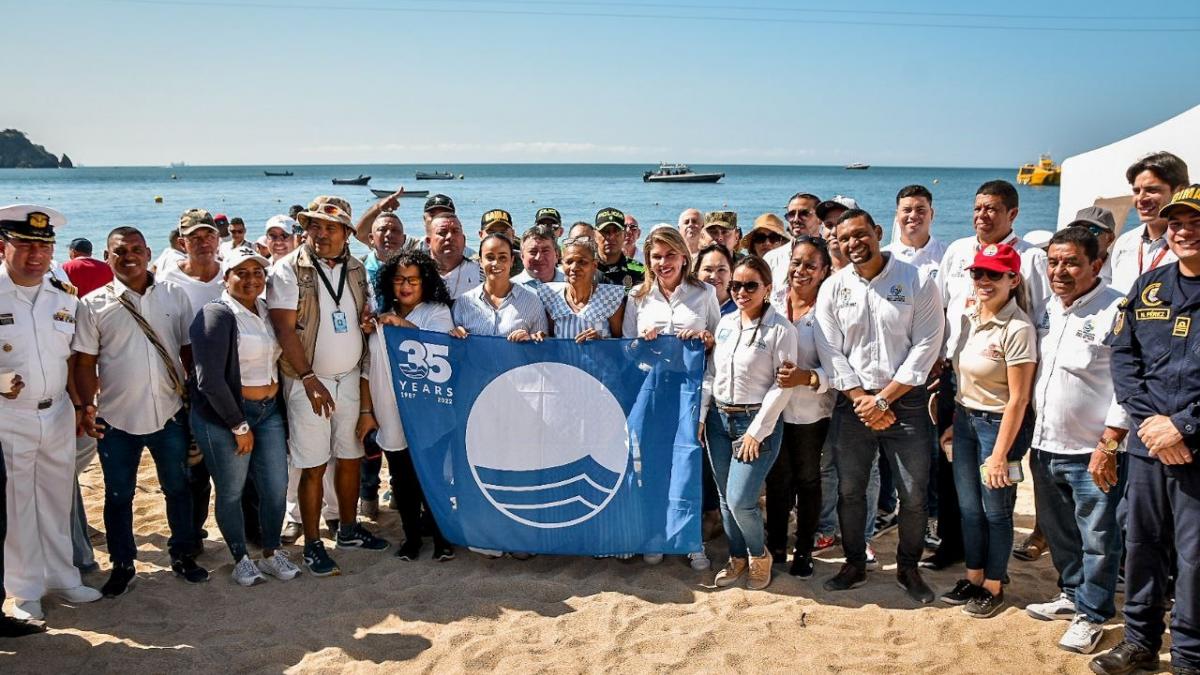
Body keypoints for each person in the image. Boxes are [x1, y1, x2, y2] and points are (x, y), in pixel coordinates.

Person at [1092, 185, 1200, 675]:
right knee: (1142, 547)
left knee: (1195, 559)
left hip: (1194, 450)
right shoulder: (1149, 286)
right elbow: (1124, 358)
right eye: (1177, 223)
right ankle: (1139, 642)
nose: (1184, 231)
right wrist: (1149, 423)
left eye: (1195, 223)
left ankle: (1190, 656)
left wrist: (1184, 427)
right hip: (1148, 446)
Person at [814, 208, 944, 603]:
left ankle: (908, 569)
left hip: (905, 403)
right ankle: (854, 563)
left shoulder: (916, 280)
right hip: (853, 405)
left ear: (877, 232)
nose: (854, 244)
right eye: (844, 238)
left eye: (860, 235)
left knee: (913, 493)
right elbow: (829, 348)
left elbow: (927, 345)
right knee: (851, 490)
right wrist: (860, 398)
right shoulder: (834, 287)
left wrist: (885, 398)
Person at [73, 226, 206, 597]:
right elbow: (84, 363)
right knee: (118, 495)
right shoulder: (93, 304)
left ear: (148, 253)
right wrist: (86, 406)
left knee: (177, 489)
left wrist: (193, 399)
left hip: (169, 414)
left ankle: (182, 555)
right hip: (116, 419)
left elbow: (187, 351)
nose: (128, 256)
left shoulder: (174, 294)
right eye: (119, 251)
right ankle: (122, 563)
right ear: (106, 256)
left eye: (135, 249)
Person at [268, 195, 390, 577]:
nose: (320, 233)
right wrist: (307, 378)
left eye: (330, 227)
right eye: (314, 225)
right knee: (313, 463)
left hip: (350, 376)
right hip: (308, 381)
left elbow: (358, 316)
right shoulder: (289, 269)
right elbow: (284, 329)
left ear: (347, 233)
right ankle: (312, 544)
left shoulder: (355, 269)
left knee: (351, 454)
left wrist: (367, 322)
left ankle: (349, 529)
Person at [1020, 227, 1128, 654]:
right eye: (1053, 262)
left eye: (1071, 263)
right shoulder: (1047, 309)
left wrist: (1110, 444)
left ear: (1095, 265)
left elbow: (1126, 383)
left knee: (1099, 536)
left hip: (1092, 449)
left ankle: (1095, 614)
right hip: (1046, 445)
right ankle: (1071, 594)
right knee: (1062, 532)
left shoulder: (1116, 308)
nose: (1060, 271)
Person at [0, 204, 102, 621]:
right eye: (24, 244)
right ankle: (25, 590)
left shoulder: (63, 294)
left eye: (43, 246)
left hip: (58, 410)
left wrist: (81, 406)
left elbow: (76, 357)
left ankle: (63, 576)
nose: (35, 255)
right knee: (17, 502)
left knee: (58, 496)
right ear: (2, 246)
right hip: (10, 416)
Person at [190, 247, 300, 587]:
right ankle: (240, 557)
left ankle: (270, 551)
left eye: (257, 272)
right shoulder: (217, 314)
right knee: (232, 490)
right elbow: (208, 379)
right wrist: (238, 424)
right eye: (242, 272)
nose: (251, 279)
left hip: (268, 412)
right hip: (226, 416)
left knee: (276, 486)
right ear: (227, 277)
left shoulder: (267, 311)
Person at [940, 243, 1037, 618]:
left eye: (993, 274)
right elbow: (964, 381)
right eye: (978, 273)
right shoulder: (969, 318)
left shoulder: (1018, 328)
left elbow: (1018, 400)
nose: (983, 280)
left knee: (996, 511)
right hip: (965, 421)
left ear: (1012, 279)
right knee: (969, 508)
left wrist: (1000, 454)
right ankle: (974, 576)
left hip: (999, 426)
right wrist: (953, 423)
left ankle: (994, 585)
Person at [625, 227, 720, 570]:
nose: (663, 262)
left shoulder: (704, 292)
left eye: (669, 255)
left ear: (683, 256)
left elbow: (718, 344)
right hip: (653, 389)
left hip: (690, 389)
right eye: (656, 256)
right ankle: (655, 535)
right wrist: (642, 342)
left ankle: (690, 540)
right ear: (647, 260)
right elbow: (627, 352)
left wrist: (706, 339)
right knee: (652, 463)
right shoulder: (637, 296)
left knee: (688, 464)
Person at [702, 255, 797, 590]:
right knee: (726, 499)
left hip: (755, 422)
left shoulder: (780, 329)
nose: (741, 291)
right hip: (718, 419)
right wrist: (702, 416)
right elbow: (712, 374)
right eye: (736, 285)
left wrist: (757, 432)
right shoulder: (726, 323)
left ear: (767, 288)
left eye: (750, 285)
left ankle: (759, 555)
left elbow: (781, 386)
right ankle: (737, 558)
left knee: (742, 500)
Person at [364, 250, 458, 562]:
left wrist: (399, 324)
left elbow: (438, 346)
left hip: (428, 410)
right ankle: (412, 538)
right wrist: (367, 411)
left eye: (413, 280)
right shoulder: (379, 315)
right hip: (389, 409)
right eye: (399, 279)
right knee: (402, 479)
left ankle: (443, 538)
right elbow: (367, 367)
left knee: (431, 476)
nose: (405, 285)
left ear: (424, 282)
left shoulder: (436, 310)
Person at [158, 208, 227, 553]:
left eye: (208, 236)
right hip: (187, 391)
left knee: (238, 466)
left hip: (233, 387)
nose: (202, 243)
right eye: (194, 237)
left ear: (218, 239)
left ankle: (249, 530)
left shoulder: (232, 275)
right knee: (193, 471)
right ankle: (195, 533)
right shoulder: (166, 282)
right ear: (181, 242)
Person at [768, 236, 835, 578]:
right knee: (778, 480)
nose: (801, 270)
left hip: (811, 412)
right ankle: (777, 545)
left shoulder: (829, 310)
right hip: (773, 410)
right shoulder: (774, 303)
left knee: (807, 480)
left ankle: (804, 550)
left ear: (824, 270)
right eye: (796, 262)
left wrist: (807, 378)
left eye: (811, 265)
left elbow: (838, 369)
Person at [1108, 151, 1190, 294]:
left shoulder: (1191, 245)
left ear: (1179, 191)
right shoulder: (1125, 242)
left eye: (1152, 190)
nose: (1141, 198)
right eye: (1136, 191)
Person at [452, 233, 548, 342]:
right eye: (490, 257)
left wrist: (531, 339)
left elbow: (543, 349)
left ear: (511, 261)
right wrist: (456, 334)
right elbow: (452, 349)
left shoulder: (532, 303)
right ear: (480, 261)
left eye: (502, 257)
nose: (496, 263)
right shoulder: (463, 303)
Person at [537, 236, 626, 340]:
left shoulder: (610, 298)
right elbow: (551, 338)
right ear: (562, 264)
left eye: (582, 262)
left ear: (594, 265)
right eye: (569, 262)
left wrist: (601, 343)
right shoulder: (550, 294)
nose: (574, 268)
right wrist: (542, 337)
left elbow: (622, 343)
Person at [427, 211, 482, 299]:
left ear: (464, 240)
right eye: (442, 232)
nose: (449, 237)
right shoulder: (418, 274)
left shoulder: (481, 273)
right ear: (428, 242)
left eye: (455, 231)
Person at [594, 207, 644, 290]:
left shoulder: (639, 271)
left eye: (616, 231)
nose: (611, 236)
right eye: (605, 231)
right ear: (594, 234)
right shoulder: (585, 266)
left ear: (624, 234)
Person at [1066, 206, 1118, 285]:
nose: (1083, 236)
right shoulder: (1060, 271)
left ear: (1110, 239)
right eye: (1078, 230)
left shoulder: (1120, 274)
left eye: (1093, 230)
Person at [477, 209, 524, 277]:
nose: (498, 237)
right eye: (491, 232)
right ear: (481, 235)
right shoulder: (470, 266)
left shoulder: (526, 263)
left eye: (503, 232)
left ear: (513, 235)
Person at [694, 243, 736, 315]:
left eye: (721, 270)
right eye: (707, 269)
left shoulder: (741, 310)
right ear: (697, 272)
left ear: (731, 274)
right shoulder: (687, 306)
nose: (713, 276)